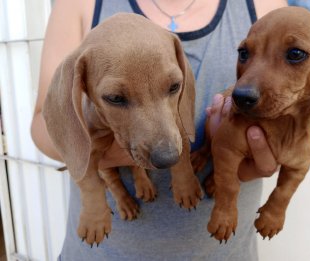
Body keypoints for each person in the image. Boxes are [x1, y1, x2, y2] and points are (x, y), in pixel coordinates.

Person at [31, 0, 287, 260]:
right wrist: (92, 161)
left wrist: (255, 159)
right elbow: (45, 122)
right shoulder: (78, 4)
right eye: (117, 98)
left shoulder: (264, 4)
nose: (166, 149)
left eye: (173, 87)